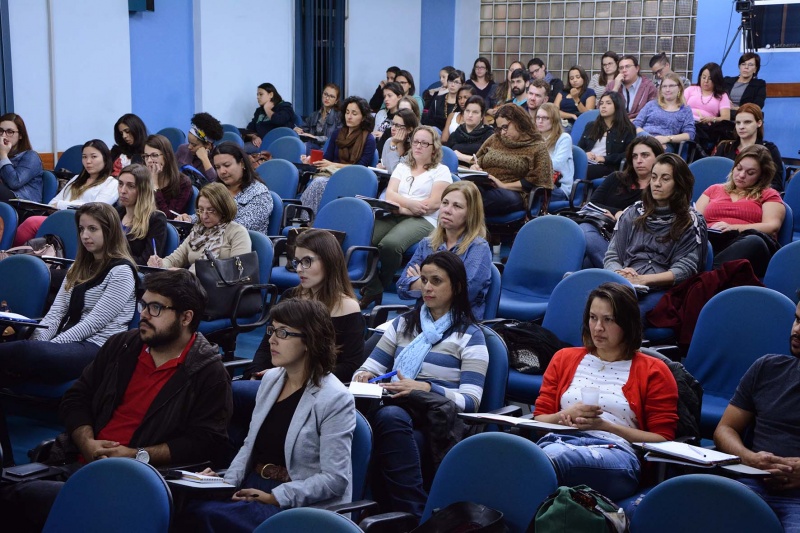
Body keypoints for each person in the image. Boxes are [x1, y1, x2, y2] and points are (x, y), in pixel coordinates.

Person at [0, 270, 233, 532]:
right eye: (143, 304)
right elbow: (76, 398)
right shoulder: (123, 346)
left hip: (138, 483)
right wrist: (86, 441)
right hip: (79, 463)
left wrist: (137, 456)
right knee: (12, 490)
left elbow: (206, 443)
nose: (143, 314)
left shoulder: (207, 373)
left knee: (27, 499)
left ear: (186, 317)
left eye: (155, 308)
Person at [179, 298, 356, 532]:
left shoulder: (335, 398)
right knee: (187, 505)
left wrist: (276, 496)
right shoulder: (272, 380)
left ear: (309, 341)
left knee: (207, 516)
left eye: (283, 333)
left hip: (297, 502)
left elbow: (335, 479)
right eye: (272, 330)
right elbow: (249, 445)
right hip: (254, 485)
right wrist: (225, 485)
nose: (271, 339)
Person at [353, 251, 489, 517]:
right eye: (424, 280)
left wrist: (427, 388)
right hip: (395, 403)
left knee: (389, 418)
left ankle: (411, 514)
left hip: (436, 417)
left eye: (436, 281)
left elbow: (472, 400)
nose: (427, 287)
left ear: (457, 287)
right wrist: (364, 377)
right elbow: (369, 368)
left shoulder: (471, 336)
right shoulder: (403, 324)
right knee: (382, 415)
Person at [533, 282, 678, 501]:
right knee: (510, 453)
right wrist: (564, 417)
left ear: (627, 323)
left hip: (616, 454)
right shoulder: (564, 358)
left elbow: (663, 439)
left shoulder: (653, 370)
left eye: (608, 320)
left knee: (545, 461)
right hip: (559, 441)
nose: (598, 328)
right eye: (593, 318)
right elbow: (539, 420)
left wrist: (606, 426)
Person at [0, 203, 138, 430]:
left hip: (98, 348)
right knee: (21, 355)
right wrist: (40, 343)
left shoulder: (121, 271)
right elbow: (55, 314)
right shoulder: (78, 267)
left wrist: (48, 348)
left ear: (110, 230)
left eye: (93, 229)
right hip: (68, 344)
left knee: (24, 352)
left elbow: (93, 324)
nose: (85, 235)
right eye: (82, 229)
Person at [714, 300, 800, 533]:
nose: (796, 330)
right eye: (797, 319)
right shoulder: (767, 368)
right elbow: (724, 429)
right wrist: (749, 458)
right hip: (751, 485)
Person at [243, 229, 365, 383]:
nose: (299, 269)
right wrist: (255, 374)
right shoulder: (290, 296)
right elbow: (267, 346)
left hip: (315, 386)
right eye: (297, 262)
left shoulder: (348, 307)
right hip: (276, 381)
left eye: (307, 261)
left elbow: (350, 366)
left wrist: (289, 377)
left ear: (329, 261)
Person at [359, 126, 453, 309]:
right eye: (415, 141)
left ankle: (381, 285)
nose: (418, 146)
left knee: (390, 245)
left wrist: (404, 207)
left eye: (424, 143)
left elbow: (433, 203)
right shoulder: (403, 166)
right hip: (398, 212)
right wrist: (409, 208)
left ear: (433, 148)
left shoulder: (441, 171)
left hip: (426, 219)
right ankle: (374, 286)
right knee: (364, 238)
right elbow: (390, 195)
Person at [604, 153, 707, 314]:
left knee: (626, 312)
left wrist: (644, 280)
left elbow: (685, 269)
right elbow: (612, 256)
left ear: (679, 184)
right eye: (654, 177)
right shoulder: (632, 212)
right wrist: (620, 274)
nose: (656, 184)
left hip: (663, 288)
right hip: (625, 282)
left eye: (665, 179)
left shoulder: (691, 220)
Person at [396, 181, 492, 319]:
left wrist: (419, 281)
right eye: (445, 203)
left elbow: (464, 294)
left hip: (459, 324)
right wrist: (444, 285)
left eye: (457, 206)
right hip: (422, 318)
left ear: (470, 213)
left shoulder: (478, 248)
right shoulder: (427, 244)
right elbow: (401, 287)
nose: (447, 210)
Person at [695, 144, 785, 278]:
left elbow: (772, 226)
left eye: (750, 173)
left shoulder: (768, 194)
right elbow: (695, 219)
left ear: (761, 176)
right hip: (711, 241)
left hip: (746, 244)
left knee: (754, 241)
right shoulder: (714, 189)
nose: (741, 175)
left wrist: (733, 228)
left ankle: (705, 279)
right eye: (739, 168)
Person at [13, 139, 119, 246]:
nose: (88, 161)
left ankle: (13, 255)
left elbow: (95, 208)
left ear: (105, 158)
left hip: (84, 224)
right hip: (60, 218)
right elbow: (52, 203)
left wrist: (61, 205)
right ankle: (13, 255)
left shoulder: (112, 183)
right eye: (84, 157)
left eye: (93, 156)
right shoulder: (77, 179)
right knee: (29, 222)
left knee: (32, 223)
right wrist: (59, 206)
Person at [580, 137, 664, 268]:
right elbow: (592, 204)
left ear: (658, 158)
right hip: (603, 230)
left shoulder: (659, 187)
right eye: (635, 156)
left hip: (632, 241)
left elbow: (648, 219)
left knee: (587, 257)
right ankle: (618, 275)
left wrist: (622, 217)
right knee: (584, 231)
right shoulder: (616, 178)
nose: (639, 161)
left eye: (645, 155)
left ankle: (616, 275)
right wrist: (618, 212)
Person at [471, 103, 553, 216]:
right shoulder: (495, 139)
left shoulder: (537, 147)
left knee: (482, 198)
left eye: (505, 127)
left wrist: (503, 185)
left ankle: (464, 210)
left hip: (514, 193)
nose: (502, 132)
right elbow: (478, 159)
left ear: (519, 122)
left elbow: (537, 180)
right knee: (463, 188)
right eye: (499, 129)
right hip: (485, 185)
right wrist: (475, 168)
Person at [149, 182, 251, 272]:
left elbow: (238, 271)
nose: (204, 216)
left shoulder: (237, 232)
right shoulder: (198, 231)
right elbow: (174, 259)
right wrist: (160, 263)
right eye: (201, 210)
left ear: (223, 209)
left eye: (211, 210)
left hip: (220, 288)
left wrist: (187, 274)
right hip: (191, 285)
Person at [299, 96, 376, 215]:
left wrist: (332, 164)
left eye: (354, 113)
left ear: (363, 117)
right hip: (331, 174)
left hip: (353, 178)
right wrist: (311, 160)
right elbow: (327, 158)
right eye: (347, 112)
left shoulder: (369, 139)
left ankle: (307, 220)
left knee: (319, 183)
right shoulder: (337, 134)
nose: (349, 116)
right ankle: (306, 219)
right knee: (317, 182)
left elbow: (360, 168)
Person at [713, 103, 785, 192]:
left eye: (747, 122)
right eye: (738, 123)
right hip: (722, 195)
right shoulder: (725, 147)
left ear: (759, 123)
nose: (741, 127)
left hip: (754, 198)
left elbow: (776, 185)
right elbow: (713, 177)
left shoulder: (769, 150)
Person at [577, 91, 637, 180]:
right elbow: (579, 147)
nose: (603, 106)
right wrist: (585, 154)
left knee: (581, 170)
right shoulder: (591, 126)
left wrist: (605, 159)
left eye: (608, 103)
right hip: (587, 162)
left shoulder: (627, 129)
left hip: (608, 166)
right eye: (601, 103)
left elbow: (628, 154)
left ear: (617, 106)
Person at [116, 163, 168, 264]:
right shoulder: (115, 213)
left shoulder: (156, 219)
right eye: (120, 184)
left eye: (131, 186)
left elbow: (146, 262)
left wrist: (111, 259)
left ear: (143, 190)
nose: (122, 191)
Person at [633, 73, 695, 151]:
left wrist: (668, 138)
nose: (667, 89)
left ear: (679, 88)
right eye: (664, 86)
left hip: (666, 144)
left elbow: (690, 134)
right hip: (643, 139)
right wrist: (652, 140)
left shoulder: (685, 110)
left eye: (671, 86)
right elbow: (636, 125)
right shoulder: (651, 105)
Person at [143, 134, 193, 218]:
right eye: (146, 156)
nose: (149, 160)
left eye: (154, 155)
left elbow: (169, 218)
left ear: (167, 156)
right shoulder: (141, 179)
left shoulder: (182, 182)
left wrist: (155, 186)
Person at [0, 112, 43, 203]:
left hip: (23, 204)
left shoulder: (31, 156)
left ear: (20, 135)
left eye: (10, 132)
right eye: (0, 131)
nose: (3, 135)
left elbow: (14, 182)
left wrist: (3, 155)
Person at [536, 103, 574, 201]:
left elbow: (557, 165)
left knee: (529, 194)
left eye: (545, 118)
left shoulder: (564, 138)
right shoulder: (535, 139)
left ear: (554, 120)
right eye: (538, 117)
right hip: (538, 182)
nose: (540, 121)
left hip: (559, 188)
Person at [242, 82, 296, 152]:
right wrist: (254, 137)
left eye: (261, 94)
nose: (258, 97)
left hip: (279, 145)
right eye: (257, 94)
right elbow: (249, 129)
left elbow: (278, 120)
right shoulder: (259, 111)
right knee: (237, 149)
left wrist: (267, 109)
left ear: (271, 94)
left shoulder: (285, 107)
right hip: (261, 144)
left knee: (240, 150)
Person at [175, 112, 224, 185]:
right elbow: (171, 172)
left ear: (207, 145)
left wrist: (205, 159)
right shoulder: (182, 149)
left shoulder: (217, 156)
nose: (189, 147)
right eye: (189, 142)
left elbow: (216, 184)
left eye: (194, 145)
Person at [446, 95, 494, 166]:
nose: (470, 115)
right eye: (467, 111)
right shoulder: (455, 134)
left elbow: (491, 161)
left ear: (482, 116)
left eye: (475, 112)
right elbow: (446, 158)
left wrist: (462, 157)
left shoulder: (489, 135)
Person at [606, 54, 657, 120]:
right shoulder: (612, 85)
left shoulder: (648, 86)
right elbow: (602, 107)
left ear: (637, 68)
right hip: (616, 123)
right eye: (621, 68)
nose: (624, 70)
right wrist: (615, 88)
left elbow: (654, 111)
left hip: (640, 124)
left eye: (627, 66)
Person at [294, 82, 342, 151]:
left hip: (328, 150)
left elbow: (335, 139)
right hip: (312, 147)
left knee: (306, 147)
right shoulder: (314, 115)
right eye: (325, 94)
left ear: (336, 101)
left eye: (331, 96)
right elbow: (303, 130)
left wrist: (314, 137)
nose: (327, 98)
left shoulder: (339, 117)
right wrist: (297, 130)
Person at [379, 108, 419, 175]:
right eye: (393, 124)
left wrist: (393, 146)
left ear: (409, 129)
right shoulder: (389, 142)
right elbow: (385, 166)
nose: (393, 128)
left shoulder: (415, 147)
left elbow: (397, 173)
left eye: (397, 125)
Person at [374, 82, 404, 154]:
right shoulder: (381, 113)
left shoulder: (403, 117)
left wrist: (383, 136)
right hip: (377, 149)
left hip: (393, 150)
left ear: (399, 97)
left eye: (389, 96)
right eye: (384, 96)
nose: (386, 99)